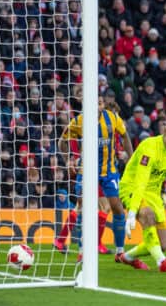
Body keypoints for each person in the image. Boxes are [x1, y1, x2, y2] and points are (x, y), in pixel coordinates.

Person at [55, 95, 134, 261]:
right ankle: (83, 250)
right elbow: (62, 141)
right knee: (83, 207)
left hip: (108, 171)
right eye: (94, 102)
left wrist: (131, 158)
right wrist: (68, 159)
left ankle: (119, 251)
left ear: (102, 105)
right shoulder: (78, 121)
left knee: (117, 208)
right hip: (86, 171)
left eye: (99, 103)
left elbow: (125, 136)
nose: (97, 106)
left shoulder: (113, 118)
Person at [117, 117, 166, 272]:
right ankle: (162, 263)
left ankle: (126, 257)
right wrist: (132, 211)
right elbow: (140, 181)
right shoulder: (149, 146)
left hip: (153, 194)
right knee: (147, 214)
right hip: (132, 188)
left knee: (162, 245)